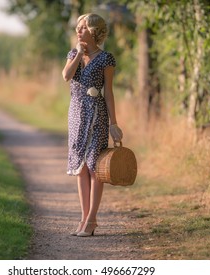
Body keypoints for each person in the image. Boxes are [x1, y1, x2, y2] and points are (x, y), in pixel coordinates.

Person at [62, 13, 123, 237]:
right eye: (78, 28)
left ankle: (91, 219)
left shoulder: (106, 58)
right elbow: (66, 76)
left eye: (83, 28)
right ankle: (83, 218)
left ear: (94, 31)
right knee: (80, 168)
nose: (79, 31)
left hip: (97, 115)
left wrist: (113, 123)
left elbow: (109, 92)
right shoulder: (73, 53)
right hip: (76, 115)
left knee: (94, 167)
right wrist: (78, 52)